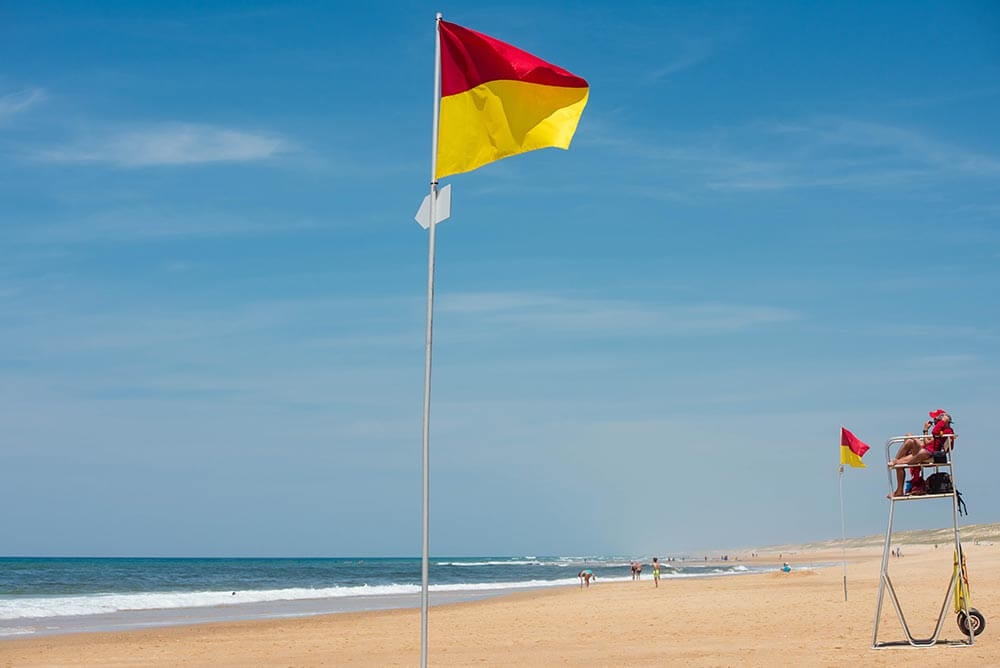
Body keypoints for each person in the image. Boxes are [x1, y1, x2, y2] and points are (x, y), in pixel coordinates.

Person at [888, 410, 954, 498]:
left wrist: (931, 427)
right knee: (909, 440)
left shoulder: (947, 431)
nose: (934, 422)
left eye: (936, 420)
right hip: (927, 449)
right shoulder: (941, 430)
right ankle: (898, 466)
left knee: (911, 440)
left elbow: (932, 436)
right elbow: (928, 442)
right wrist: (925, 431)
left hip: (932, 453)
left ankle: (897, 461)